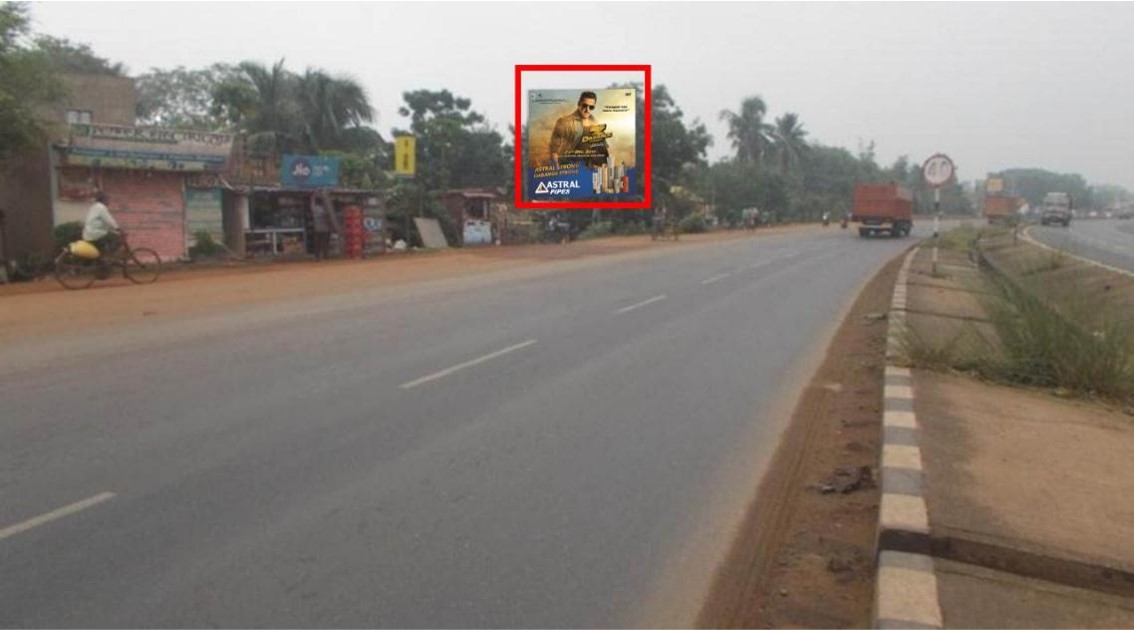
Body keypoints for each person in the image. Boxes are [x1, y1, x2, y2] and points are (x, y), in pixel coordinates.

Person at [548, 91, 609, 168]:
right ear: (579, 104)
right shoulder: (564, 122)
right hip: (569, 166)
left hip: (589, 167)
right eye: (584, 106)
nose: (587, 110)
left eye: (591, 107)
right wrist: (556, 167)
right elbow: (554, 148)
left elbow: (603, 149)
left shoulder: (596, 123)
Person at [83, 191, 122, 257]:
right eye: (108, 199)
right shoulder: (101, 207)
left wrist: (113, 229)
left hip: (89, 233)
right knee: (115, 238)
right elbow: (109, 220)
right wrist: (118, 228)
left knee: (106, 239)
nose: (109, 201)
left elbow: (103, 222)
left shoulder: (94, 206)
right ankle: (107, 257)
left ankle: (102, 257)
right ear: (103, 199)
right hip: (95, 233)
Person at [310, 193, 332, 260]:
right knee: (325, 243)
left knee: (317, 244)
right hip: (325, 229)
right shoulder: (325, 209)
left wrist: (313, 197)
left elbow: (312, 203)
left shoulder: (315, 209)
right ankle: (326, 256)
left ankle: (317, 257)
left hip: (317, 229)